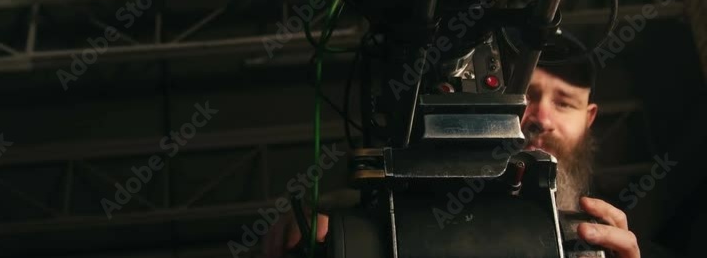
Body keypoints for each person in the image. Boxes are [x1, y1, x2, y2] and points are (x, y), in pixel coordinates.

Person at [264, 60, 643, 258]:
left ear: (590, 117)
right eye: (526, 96)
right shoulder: (352, 220)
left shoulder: (610, 247)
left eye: (564, 103)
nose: (541, 119)